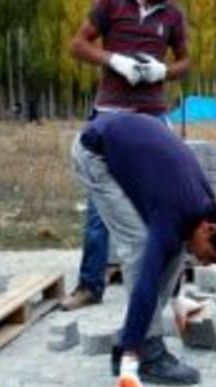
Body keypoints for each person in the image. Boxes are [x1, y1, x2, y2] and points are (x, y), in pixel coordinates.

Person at [71, 112, 216, 387]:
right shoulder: (172, 214)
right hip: (94, 152)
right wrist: (130, 361)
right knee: (139, 245)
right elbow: (147, 278)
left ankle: (134, 337)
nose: (204, 262)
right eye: (211, 257)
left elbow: (176, 252)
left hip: (127, 142)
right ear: (210, 229)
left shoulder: (202, 208)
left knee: (176, 247)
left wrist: (176, 299)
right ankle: (145, 353)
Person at [63, 0, 191, 311]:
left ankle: (166, 284)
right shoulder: (112, 5)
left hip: (153, 116)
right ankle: (90, 285)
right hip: (110, 113)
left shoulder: (172, 14)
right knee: (100, 206)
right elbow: (77, 45)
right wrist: (114, 60)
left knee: (162, 199)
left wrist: (163, 71)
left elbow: (186, 62)